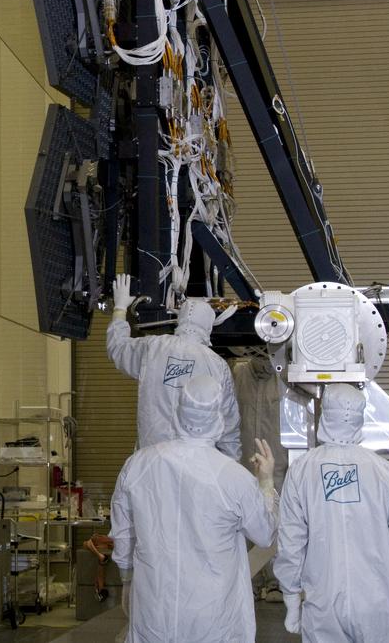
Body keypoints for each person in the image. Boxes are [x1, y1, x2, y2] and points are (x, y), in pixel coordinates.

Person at [110, 375, 277, 643]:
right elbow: (265, 534)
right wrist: (266, 482)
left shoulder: (138, 465)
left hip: (154, 611)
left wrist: (127, 579)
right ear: (219, 417)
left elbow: (123, 533)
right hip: (213, 618)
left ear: (178, 410)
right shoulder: (233, 477)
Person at [275, 383, 389, 642]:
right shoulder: (385, 472)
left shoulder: (302, 470)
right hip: (377, 604)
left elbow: (290, 541)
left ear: (324, 415)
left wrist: (291, 599)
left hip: (323, 605)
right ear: (360, 418)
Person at [108, 274, 241, 459]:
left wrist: (120, 308)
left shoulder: (153, 348)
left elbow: (118, 348)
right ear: (209, 326)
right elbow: (229, 427)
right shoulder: (217, 365)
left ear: (180, 319)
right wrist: (230, 468)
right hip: (198, 466)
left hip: (153, 462)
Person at [232, 349, 288, 599]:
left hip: (277, 463)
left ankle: (276, 580)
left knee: (276, 522)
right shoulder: (239, 374)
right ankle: (251, 580)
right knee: (245, 522)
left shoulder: (284, 377)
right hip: (244, 463)